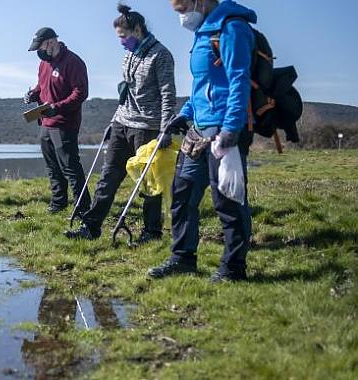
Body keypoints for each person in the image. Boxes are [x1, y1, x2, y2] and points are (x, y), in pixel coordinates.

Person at [149, 0, 256, 282]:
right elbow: (202, 87)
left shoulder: (231, 28)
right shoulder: (202, 32)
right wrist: (183, 114)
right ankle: (183, 258)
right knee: (182, 194)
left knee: (228, 201)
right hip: (198, 129)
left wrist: (231, 130)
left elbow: (238, 81)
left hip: (224, 130)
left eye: (183, 8)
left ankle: (234, 269)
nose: (182, 16)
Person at [65, 4, 177, 242]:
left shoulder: (161, 55)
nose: (121, 42)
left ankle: (151, 232)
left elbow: (168, 93)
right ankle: (91, 227)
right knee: (108, 177)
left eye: (124, 36)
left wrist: (166, 127)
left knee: (147, 182)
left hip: (148, 127)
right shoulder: (128, 55)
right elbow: (126, 92)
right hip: (122, 123)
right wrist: (113, 120)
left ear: (137, 30)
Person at [24, 27, 91, 214]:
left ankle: (83, 207)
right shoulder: (44, 64)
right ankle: (58, 203)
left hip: (64, 124)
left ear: (51, 42)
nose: (39, 52)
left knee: (70, 167)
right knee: (52, 167)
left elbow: (81, 93)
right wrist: (33, 94)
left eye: (41, 47)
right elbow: (41, 85)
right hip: (45, 122)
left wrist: (57, 107)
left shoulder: (73, 62)